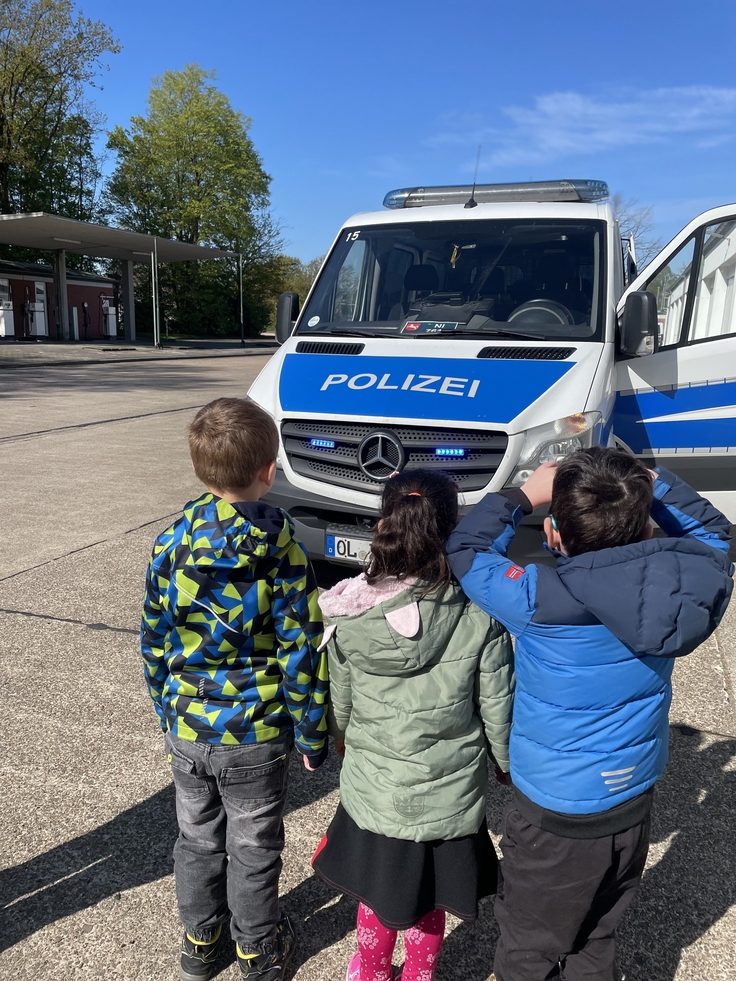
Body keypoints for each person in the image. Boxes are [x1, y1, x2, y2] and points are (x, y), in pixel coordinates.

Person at [445, 447, 734, 981]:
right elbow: (714, 533)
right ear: (647, 528)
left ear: (554, 533)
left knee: (530, 945)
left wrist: (520, 494)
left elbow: (466, 547)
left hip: (555, 814)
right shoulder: (687, 583)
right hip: (630, 804)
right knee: (597, 934)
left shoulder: (539, 596)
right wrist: (645, 480)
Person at [140, 397, 328, 981]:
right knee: (253, 844)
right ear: (270, 470)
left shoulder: (170, 544)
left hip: (188, 726)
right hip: (256, 731)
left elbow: (153, 637)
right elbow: (303, 651)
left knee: (196, 839)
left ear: (202, 470)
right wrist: (314, 734)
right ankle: (256, 946)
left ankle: (201, 940)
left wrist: (166, 709)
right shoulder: (284, 552)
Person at [311, 469, 515, 981]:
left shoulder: (351, 613)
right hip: (448, 795)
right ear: (451, 530)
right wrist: (506, 764)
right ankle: (420, 975)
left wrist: (338, 739)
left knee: (378, 893)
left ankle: (371, 971)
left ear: (385, 523)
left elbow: (340, 699)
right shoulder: (477, 611)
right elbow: (497, 702)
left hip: (375, 789)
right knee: (431, 899)